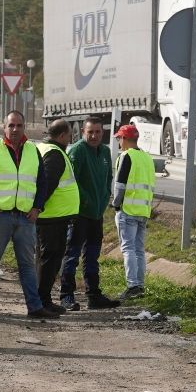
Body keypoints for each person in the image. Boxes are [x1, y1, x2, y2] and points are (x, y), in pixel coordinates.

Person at [0, 109, 58, 318]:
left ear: (24, 127)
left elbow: (42, 182)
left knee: (27, 265)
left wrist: (37, 207)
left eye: (19, 125)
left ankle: (34, 307)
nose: (15, 129)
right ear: (4, 128)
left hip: (25, 217)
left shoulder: (33, 150)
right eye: (11, 125)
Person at [60, 116, 121, 311]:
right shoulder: (78, 151)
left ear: (102, 133)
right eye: (90, 132)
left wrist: (104, 198)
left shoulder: (104, 151)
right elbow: (72, 180)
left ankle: (93, 294)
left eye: (97, 132)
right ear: (83, 132)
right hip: (79, 214)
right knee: (72, 255)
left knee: (92, 255)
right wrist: (85, 200)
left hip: (97, 214)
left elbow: (107, 179)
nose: (94, 135)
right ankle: (66, 295)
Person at [35, 120, 79, 312]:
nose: (70, 139)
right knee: (50, 259)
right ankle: (42, 300)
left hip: (54, 217)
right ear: (62, 136)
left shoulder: (44, 148)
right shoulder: (54, 154)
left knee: (48, 259)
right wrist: (38, 207)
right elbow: (48, 184)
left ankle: (42, 299)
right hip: (51, 218)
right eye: (69, 135)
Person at [112, 122, 155, 300]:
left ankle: (132, 286)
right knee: (138, 249)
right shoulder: (147, 158)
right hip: (143, 210)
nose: (118, 143)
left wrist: (116, 204)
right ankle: (140, 286)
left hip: (128, 209)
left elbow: (120, 185)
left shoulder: (126, 156)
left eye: (119, 139)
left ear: (125, 139)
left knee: (128, 248)